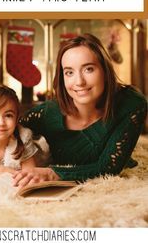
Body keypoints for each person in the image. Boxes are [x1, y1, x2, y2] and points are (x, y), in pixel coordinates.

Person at [13, 33, 147, 187]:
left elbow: (108, 168)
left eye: (88, 69)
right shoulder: (47, 113)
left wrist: (52, 173)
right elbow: (5, 128)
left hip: (106, 191)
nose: (79, 82)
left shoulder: (131, 103)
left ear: (105, 70)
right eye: (69, 72)